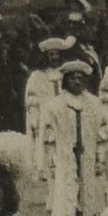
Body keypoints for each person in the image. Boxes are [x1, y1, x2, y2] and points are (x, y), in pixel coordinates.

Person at [39, 60, 108, 216]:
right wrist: (51, 161)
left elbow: (102, 134)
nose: (77, 82)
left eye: (80, 78)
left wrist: (100, 158)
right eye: (73, 78)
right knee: (66, 187)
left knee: (88, 187)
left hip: (87, 154)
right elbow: (48, 136)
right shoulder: (54, 105)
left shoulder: (95, 104)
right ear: (65, 81)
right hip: (65, 154)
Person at [25, 36, 70, 169]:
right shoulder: (37, 76)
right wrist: (35, 117)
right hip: (45, 115)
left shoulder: (67, 74)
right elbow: (32, 100)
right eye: (51, 54)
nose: (54, 57)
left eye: (57, 54)